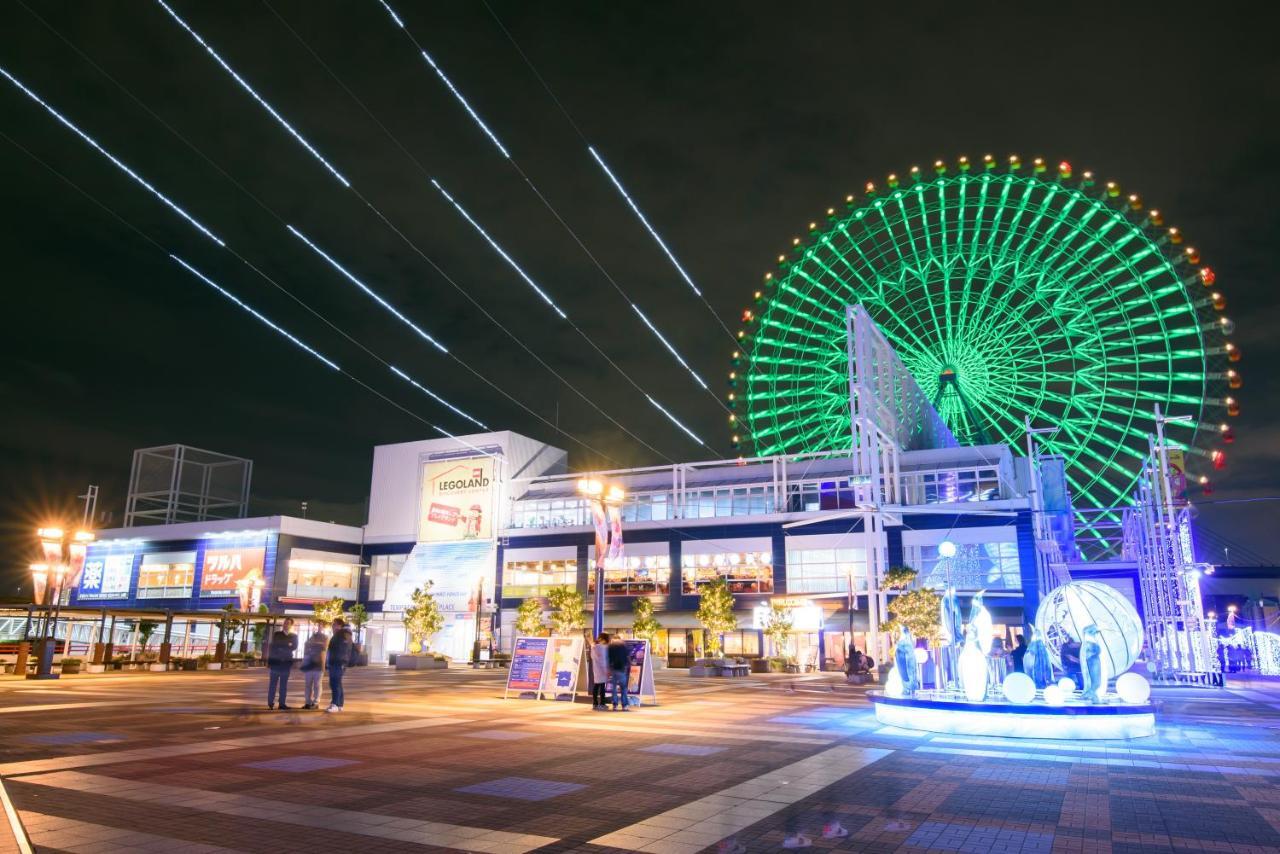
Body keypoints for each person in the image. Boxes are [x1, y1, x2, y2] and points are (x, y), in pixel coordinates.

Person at [326, 617, 354, 713]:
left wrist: (340, 661)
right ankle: (339, 704)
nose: (332, 626)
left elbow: (342, 649)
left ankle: (335, 704)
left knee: (335, 683)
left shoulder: (343, 634)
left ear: (339, 625)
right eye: (332, 625)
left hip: (338, 662)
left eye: (334, 624)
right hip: (336, 662)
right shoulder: (340, 634)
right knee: (337, 683)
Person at [266, 629, 295, 710]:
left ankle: (282, 704)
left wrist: (283, 645)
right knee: (273, 685)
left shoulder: (294, 636)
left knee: (283, 686)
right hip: (275, 664)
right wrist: (287, 644)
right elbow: (272, 648)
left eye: (288, 623)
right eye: (285, 622)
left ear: (291, 625)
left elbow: (294, 646)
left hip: (285, 665)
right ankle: (270, 703)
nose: (286, 625)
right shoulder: (276, 636)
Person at [300, 625, 327, 710]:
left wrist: (313, 644)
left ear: (323, 628)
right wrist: (314, 644)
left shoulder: (325, 637)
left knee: (317, 685)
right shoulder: (311, 636)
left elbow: (324, 647)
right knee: (308, 685)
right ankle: (308, 702)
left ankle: (316, 702)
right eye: (317, 626)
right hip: (309, 664)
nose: (318, 628)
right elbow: (306, 645)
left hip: (319, 664)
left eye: (320, 626)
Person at [606, 634, 630, 711]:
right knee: (623, 688)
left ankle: (615, 704)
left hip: (613, 669)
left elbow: (608, 658)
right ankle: (624, 705)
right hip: (622, 669)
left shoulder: (610, 646)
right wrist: (628, 665)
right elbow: (627, 656)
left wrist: (608, 669)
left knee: (614, 688)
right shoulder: (623, 646)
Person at [590, 633, 610, 710]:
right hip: (602, 669)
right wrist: (606, 670)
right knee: (602, 687)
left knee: (596, 686)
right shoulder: (602, 647)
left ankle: (595, 704)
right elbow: (603, 660)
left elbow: (593, 657)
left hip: (596, 669)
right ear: (604, 640)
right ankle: (602, 704)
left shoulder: (594, 647)